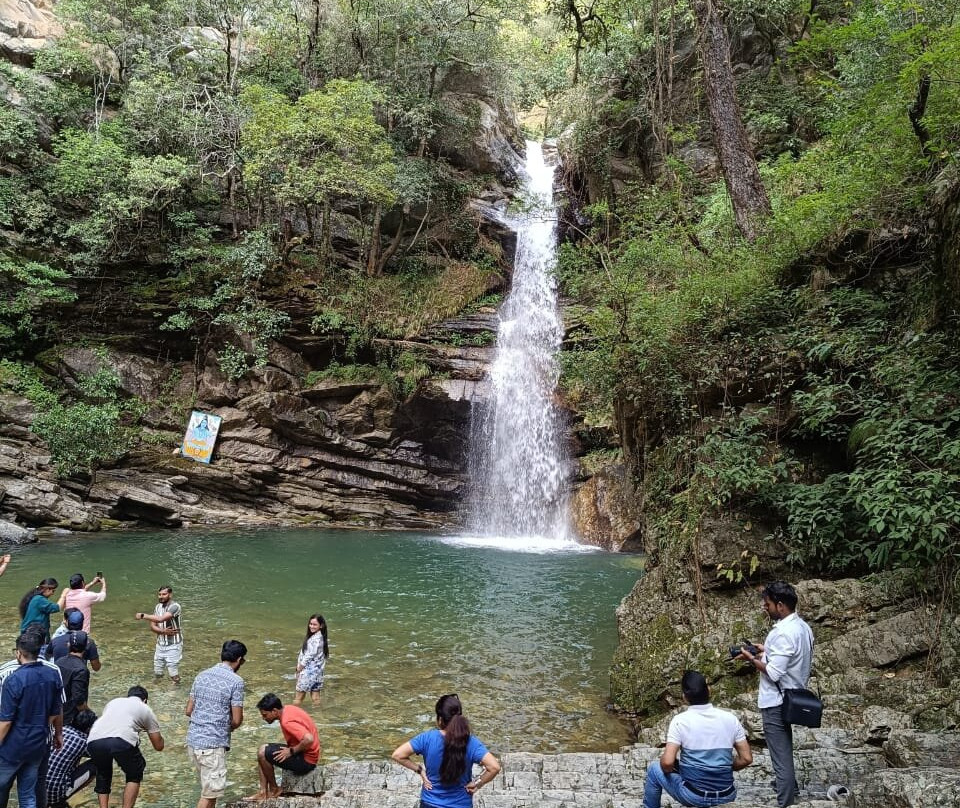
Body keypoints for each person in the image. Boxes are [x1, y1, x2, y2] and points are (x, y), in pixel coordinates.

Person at [736, 581, 814, 808]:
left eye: (767, 603)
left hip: (777, 702)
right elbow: (790, 657)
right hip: (794, 696)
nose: (764, 607)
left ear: (780, 606)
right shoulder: (802, 627)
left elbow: (773, 672)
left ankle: (785, 801)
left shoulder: (782, 633)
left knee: (780, 758)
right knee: (784, 750)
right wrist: (765, 650)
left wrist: (751, 659)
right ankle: (790, 788)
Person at [642, 670, 752, 808]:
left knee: (653, 769)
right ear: (709, 691)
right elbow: (747, 758)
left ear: (684, 697)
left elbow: (667, 763)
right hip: (727, 795)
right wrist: (722, 767)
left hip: (694, 796)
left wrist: (678, 767)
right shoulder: (731, 719)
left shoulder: (680, 721)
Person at [391, 694, 501, 808]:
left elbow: (398, 755)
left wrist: (420, 770)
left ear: (440, 719)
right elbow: (494, 767)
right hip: (461, 804)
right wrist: (478, 783)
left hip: (430, 803)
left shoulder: (427, 738)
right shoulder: (471, 743)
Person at [0, 630, 65, 808]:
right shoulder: (52, 675)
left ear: (18, 653)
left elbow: (5, 721)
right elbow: (56, 709)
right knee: (28, 794)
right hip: (38, 744)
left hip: (13, 747)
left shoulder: (13, 680)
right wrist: (58, 733)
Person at [186, 640, 247, 808]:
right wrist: (226, 726)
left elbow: (189, 710)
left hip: (193, 741)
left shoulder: (201, 675)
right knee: (210, 795)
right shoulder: (236, 682)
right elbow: (237, 720)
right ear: (239, 659)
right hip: (212, 745)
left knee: (208, 791)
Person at [86, 686, 164, 808]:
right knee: (135, 773)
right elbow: (158, 746)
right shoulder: (145, 708)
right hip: (121, 740)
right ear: (145, 700)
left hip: (94, 740)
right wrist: (147, 728)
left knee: (103, 773)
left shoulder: (113, 702)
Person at [248, 693, 320, 801]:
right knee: (262, 749)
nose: (263, 718)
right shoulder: (288, 709)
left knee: (262, 753)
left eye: (265, 715)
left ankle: (274, 789)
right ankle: (263, 792)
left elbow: (309, 739)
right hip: (307, 754)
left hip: (306, 761)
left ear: (275, 711)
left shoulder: (287, 722)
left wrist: (291, 751)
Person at [46, 708, 97, 808]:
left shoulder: (60, 730)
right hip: (55, 795)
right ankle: (61, 799)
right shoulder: (84, 742)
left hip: (37, 788)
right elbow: (100, 753)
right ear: (89, 729)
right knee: (97, 764)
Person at [135, 586, 182, 684]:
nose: (161, 596)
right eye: (159, 594)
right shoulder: (158, 607)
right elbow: (152, 626)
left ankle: (176, 688)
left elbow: (161, 619)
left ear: (170, 595)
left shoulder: (175, 607)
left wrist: (143, 615)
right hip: (160, 645)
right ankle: (158, 690)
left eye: (164, 594)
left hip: (174, 645)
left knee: (173, 673)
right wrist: (163, 632)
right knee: (158, 672)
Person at [55, 633, 91, 729]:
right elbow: (78, 700)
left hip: (56, 714)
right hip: (70, 720)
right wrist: (91, 716)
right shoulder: (81, 669)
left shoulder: (59, 662)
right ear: (86, 646)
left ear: (68, 645)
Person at [294, 614, 328, 705]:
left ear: (321, 625)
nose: (311, 626)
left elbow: (309, 655)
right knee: (316, 698)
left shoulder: (315, 639)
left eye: (314, 624)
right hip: (317, 673)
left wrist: (299, 668)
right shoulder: (321, 637)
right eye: (310, 624)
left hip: (308, 673)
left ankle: (293, 716)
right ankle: (318, 716)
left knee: (298, 698)